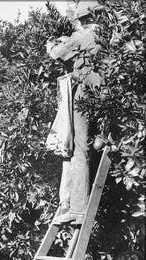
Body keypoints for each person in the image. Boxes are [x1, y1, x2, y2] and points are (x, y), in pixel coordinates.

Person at [46, 2, 105, 225]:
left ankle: (78, 209)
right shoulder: (109, 34)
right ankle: (74, 204)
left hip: (85, 93)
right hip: (106, 94)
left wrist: (52, 44)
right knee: (92, 145)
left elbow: (56, 53)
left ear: (83, 19)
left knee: (79, 151)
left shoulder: (82, 36)